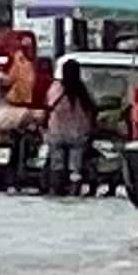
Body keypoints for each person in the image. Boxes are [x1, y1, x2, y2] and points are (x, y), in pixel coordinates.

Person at [44, 60, 98, 189]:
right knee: (75, 164)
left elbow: (48, 104)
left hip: (56, 133)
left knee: (56, 163)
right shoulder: (82, 91)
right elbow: (92, 109)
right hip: (77, 134)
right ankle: (74, 186)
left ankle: (56, 186)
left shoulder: (56, 88)